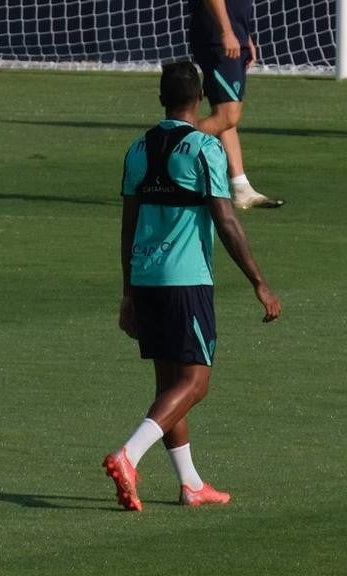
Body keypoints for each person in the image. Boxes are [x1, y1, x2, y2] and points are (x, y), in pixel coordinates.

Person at [104, 61, 281, 512]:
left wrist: (128, 292)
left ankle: (190, 484)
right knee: (196, 383)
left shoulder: (138, 149)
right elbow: (225, 220)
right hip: (186, 280)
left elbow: (128, 226)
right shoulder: (204, 148)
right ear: (200, 98)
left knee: (170, 386)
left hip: (145, 278)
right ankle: (129, 454)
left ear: (161, 97)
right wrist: (259, 282)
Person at [188, 0, 284, 209]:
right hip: (217, 36)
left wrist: (243, 36)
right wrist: (226, 31)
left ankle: (241, 188)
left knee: (226, 116)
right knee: (227, 115)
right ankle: (163, 146)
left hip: (231, 33)